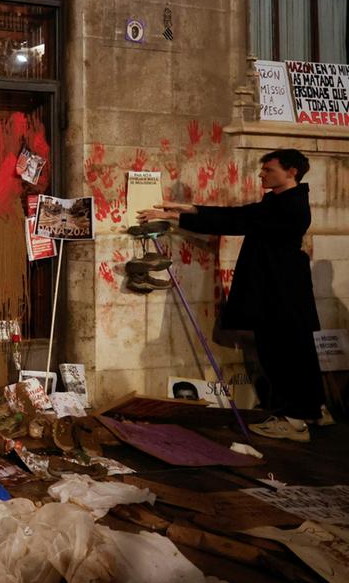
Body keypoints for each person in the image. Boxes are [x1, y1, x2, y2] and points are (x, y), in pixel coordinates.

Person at [139, 148, 324, 442]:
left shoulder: (291, 205)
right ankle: (309, 410)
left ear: (291, 172)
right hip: (277, 294)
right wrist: (188, 210)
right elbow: (241, 215)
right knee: (290, 353)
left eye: (269, 170)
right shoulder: (277, 201)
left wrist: (179, 216)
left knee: (284, 356)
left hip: (281, 296)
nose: (262, 175)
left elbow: (239, 221)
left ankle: (296, 419)